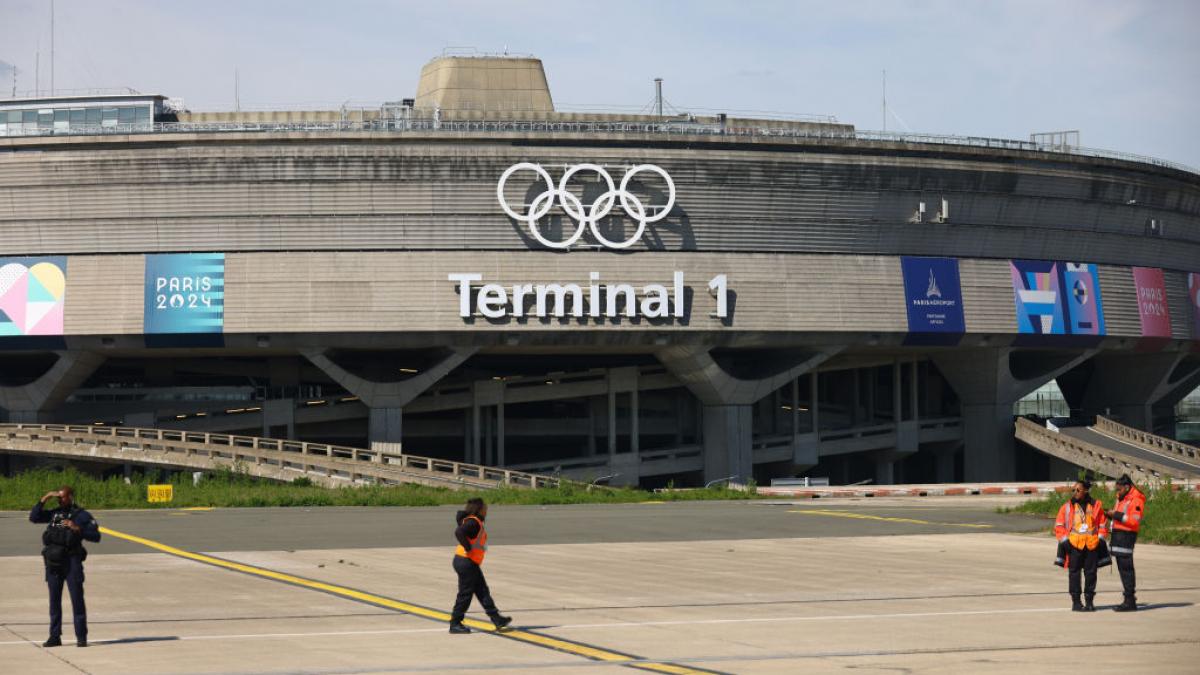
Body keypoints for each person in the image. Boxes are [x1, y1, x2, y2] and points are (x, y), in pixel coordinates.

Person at [30, 485, 101, 647]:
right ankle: (55, 636)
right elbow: (34, 517)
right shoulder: (55, 514)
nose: (60, 500)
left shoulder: (81, 515)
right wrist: (45, 498)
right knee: (54, 601)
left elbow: (96, 536)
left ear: (70, 497)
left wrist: (78, 529)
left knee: (77, 599)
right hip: (54, 562)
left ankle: (81, 637)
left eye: (62, 497)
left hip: (72, 561)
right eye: (58, 497)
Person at [448, 497, 512, 634]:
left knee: (482, 590)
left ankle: (496, 618)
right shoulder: (473, 522)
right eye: (485, 508)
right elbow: (459, 532)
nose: (486, 511)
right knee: (465, 593)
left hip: (467, 562)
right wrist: (468, 548)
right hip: (466, 561)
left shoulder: (473, 521)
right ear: (479, 509)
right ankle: (455, 623)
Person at [1054, 479, 1108, 611]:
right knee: (1074, 574)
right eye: (1073, 490)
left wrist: (1100, 539)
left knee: (1091, 574)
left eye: (1077, 490)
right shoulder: (1067, 507)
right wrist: (1066, 543)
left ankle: (1089, 602)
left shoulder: (1096, 506)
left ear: (1085, 491)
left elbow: (1103, 524)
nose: (1075, 492)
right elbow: (1059, 526)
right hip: (1074, 545)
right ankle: (1076, 602)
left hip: (1091, 544)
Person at [1105, 474, 1146, 612]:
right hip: (1118, 536)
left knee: (1126, 569)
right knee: (1123, 569)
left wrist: (1115, 515)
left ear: (1127, 487)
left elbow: (1134, 520)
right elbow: (1119, 515)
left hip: (1126, 536)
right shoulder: (1122, 498)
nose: (1118, 492)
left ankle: (1130, 600)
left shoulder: (1136, 499)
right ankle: (1129, 599)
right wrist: (1109, 514)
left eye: (1119, 489)